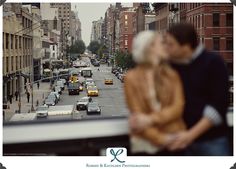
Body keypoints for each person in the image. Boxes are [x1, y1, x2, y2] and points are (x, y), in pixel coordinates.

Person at [164, 23, 230, 156]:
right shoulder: (171, 65)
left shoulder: (213, 62)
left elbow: (218, 106)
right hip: (179, 141)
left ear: (186, 46)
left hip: (212, 141)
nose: (166, 48)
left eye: (170, 45)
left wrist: (189, 136)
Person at [124, 31, 186, 155]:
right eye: (162, 43)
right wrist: (162, 139)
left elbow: (178, 107)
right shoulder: (131, 78)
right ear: (150, 47)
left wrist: (151, 119)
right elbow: (138, 118)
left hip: (175, 140)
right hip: (146, 145)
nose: (166, 46)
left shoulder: (171, 75)